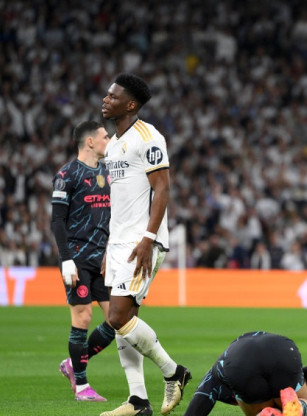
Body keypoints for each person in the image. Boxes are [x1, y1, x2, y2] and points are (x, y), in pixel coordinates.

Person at [100, 73, 191, 416]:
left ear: (131, 104)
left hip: (143, 242)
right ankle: (138, 400)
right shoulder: (112, 144)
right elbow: (119, 199)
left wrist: (147, 239)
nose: (106, 100)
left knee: (118, 316)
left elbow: (162, 189)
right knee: (126, 322)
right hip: (119, 242)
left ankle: (174, 372)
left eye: (113, 96)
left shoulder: (149, 136)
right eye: (107, 95)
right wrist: (111, 245)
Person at [51, 120, 115, 402]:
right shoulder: (67, 174)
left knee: (117, 319)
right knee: (84, 317)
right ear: (90, 141)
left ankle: (72, 363)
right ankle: (82, 387)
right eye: (105, 136)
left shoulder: (107, 171)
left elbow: (113, 215)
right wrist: (66, 260)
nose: (109, 139)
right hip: (76, 259)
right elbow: (58, 221)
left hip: (102, 258)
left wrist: (110, 249)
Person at [184, 331, 307, 416]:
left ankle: (267, 412)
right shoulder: (220, 376)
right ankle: (301, 407)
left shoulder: (218, 375)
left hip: (240, 364)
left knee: (261, 406)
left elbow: (201, 399)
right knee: (303, 402)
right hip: (281, 351)